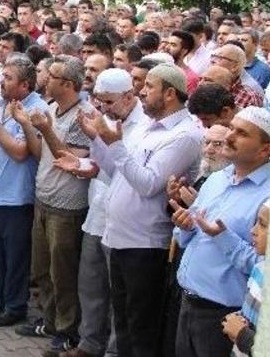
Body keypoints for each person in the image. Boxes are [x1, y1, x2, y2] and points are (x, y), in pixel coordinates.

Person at [93, 63, 203, 357]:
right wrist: (99, 139)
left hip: (145, 243)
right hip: (119, 236)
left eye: (149, 86)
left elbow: (148, 184)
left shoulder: (184, 135)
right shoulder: (146, 125)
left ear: (169, 93)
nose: (142, 92)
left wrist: (115, 144)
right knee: (125, 322)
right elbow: (117, 171)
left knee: (141, 327)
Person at [171, 106, 270, 357]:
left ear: (265, 149)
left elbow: (266, 267)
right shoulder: (219, 177)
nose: (229, 137)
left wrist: (222, 237)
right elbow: (189, 237)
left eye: (241, 133)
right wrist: (184, 226)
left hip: (225, 317)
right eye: (231, 128)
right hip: (187, 301)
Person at [56, 68, 147, 357]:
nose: (103, 108)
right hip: (98, 211)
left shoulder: (144, 125)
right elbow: (102, 167)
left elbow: (127, 171)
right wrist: (82, 162)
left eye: (109, 102)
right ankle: (89, 343)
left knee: (117, 294)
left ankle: (112, 350)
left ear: (129, 96)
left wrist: (101, 142)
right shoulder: (104, 118)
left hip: (125, 220)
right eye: (100, 101)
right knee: (91, 285)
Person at [17, 55, 95, 354]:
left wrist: (46, 129)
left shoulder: (82, 116)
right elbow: (40, 153)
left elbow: (70, 162)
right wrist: (27, 125)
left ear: (69, 84)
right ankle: (50, 321)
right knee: (41, 269)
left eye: (52, 75)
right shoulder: (50, 108)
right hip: (44, 198)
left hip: (67, 206)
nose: (45, 79)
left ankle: (67, 330)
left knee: (63, 274)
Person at [0, 55, 49, 328]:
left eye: (8, 78)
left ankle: (15, 305)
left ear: (25, 85)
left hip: (15, 196)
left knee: (15, 256)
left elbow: (20, 153)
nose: (1, 82)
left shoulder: (36, 110)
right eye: (2, 76)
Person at [222, 199, 270, 357]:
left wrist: (242, 334)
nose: (253, 230)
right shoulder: (260, 268)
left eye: (263, 224)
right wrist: (236, 320)